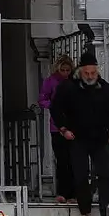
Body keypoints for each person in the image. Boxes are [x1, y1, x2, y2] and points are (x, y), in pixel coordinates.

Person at [49, 49, 109, 216]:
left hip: (100, 138)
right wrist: (63, 129)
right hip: (77, 138)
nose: (90, 76)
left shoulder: (106, 89)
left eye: (93, 73)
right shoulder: (68, 88)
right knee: (80, 175)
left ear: (97, 72)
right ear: (80, 72)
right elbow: (56, 108)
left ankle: (106, 211)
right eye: (86, 73)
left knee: (105, 175)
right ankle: (85, 211)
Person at [38, 54, 76, 204]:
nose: (65, 73)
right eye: (63, 70)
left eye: (68, 70)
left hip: (74, 126)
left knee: (74, 160)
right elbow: (42, 99)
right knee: (62, 161)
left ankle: (74, 193)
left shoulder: (74, 82)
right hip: (57, 126)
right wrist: (54, 106)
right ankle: (62, 192)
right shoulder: (51, 82)